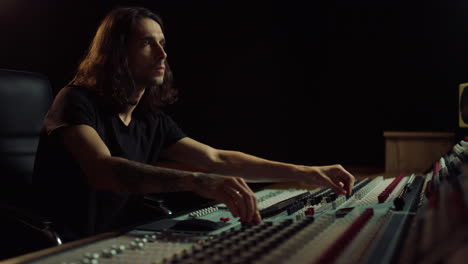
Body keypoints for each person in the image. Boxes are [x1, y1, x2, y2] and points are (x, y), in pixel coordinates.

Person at [33, 6, 355, 242]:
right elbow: (102, 170)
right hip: (74, 242)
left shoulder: (150, 118)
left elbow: (217, 159)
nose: (162, 53)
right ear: (117, 52)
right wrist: (197, 181)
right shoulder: (75, 100)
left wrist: (307, 173)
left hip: (124, 237)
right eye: (147, 43)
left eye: (162, 42)